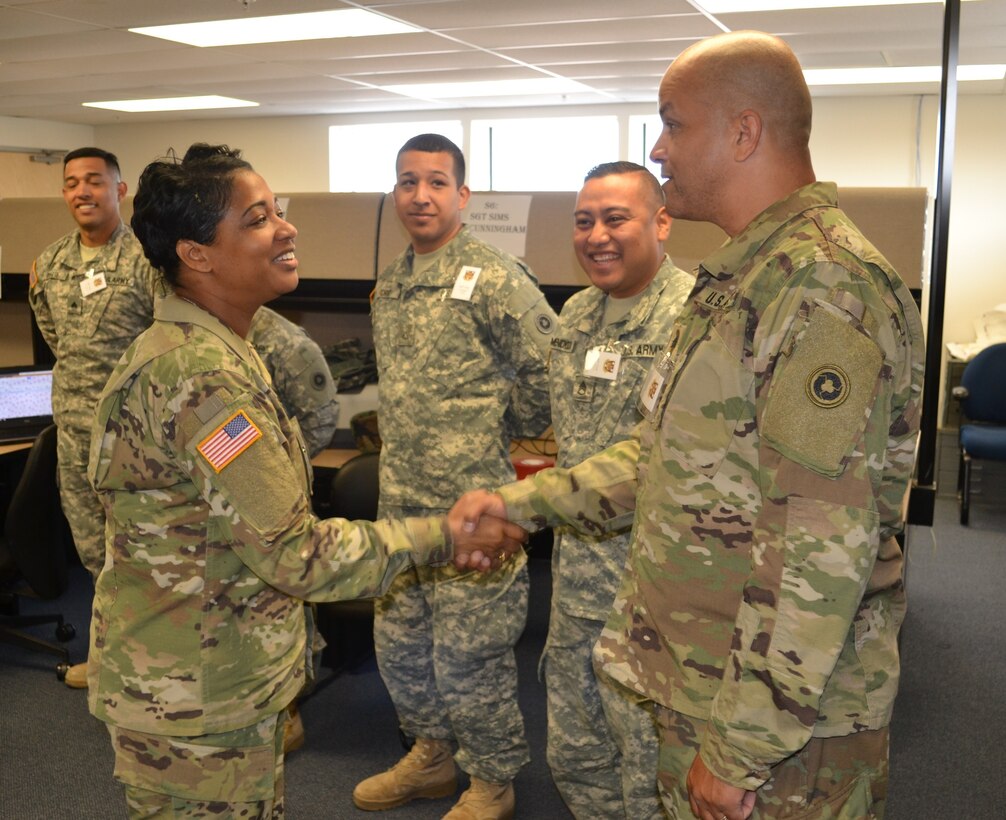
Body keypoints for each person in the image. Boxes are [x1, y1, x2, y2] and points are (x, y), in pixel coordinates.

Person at [452, 30, 924, 820]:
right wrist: (520, 507)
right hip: (708, 684)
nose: (660, 149)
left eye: (674, 123)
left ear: (744, 132)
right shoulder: (745, 278)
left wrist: (741, 749)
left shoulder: (823, 289)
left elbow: (818, 541)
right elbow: (661, 458)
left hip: (780, 738)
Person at [86, 143, 525, 818]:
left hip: (211, 678)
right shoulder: (203, 380)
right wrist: (446, 534)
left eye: (279, 212)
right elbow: (297, 555)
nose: (286, 229)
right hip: (196, 697)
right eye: (258, 219)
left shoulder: (217, 353)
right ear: (196, 254)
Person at [353, 133, 556, 820]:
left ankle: (491, 782)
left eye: (436, 181)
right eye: (407, 181)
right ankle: (432, 756)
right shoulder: (392, 285)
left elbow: (546, 374)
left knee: (471, 656)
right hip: (402, 508)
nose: (420, 195)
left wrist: (510, 439)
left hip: (476, 505)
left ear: (463, 195)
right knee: (402, 645)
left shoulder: (497, 277)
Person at [545, 161, 693, 819]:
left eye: (615, 218)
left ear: (661, 222)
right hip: (576, 583)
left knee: (648, 768)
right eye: (583, 221)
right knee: (576, 753)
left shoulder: (693, 320)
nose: (596, 235)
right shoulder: (575, 315)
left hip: (653, 596)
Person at [28, 146, 163, 689]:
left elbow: (169, 344)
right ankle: (110, 657)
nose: (82, 192)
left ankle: (154, 666)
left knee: (143, 555)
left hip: (135, 438)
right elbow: (57, 340)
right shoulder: (50, 264)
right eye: (71, 183)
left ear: (119, 190)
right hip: (74, 436)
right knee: (93, 553)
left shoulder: (148, 262)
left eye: (94, 181)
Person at [248, 305, 339, 458]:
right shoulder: (206, 330)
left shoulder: (287, 342)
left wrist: (285, 465)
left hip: (270, 467)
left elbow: (320, 424)